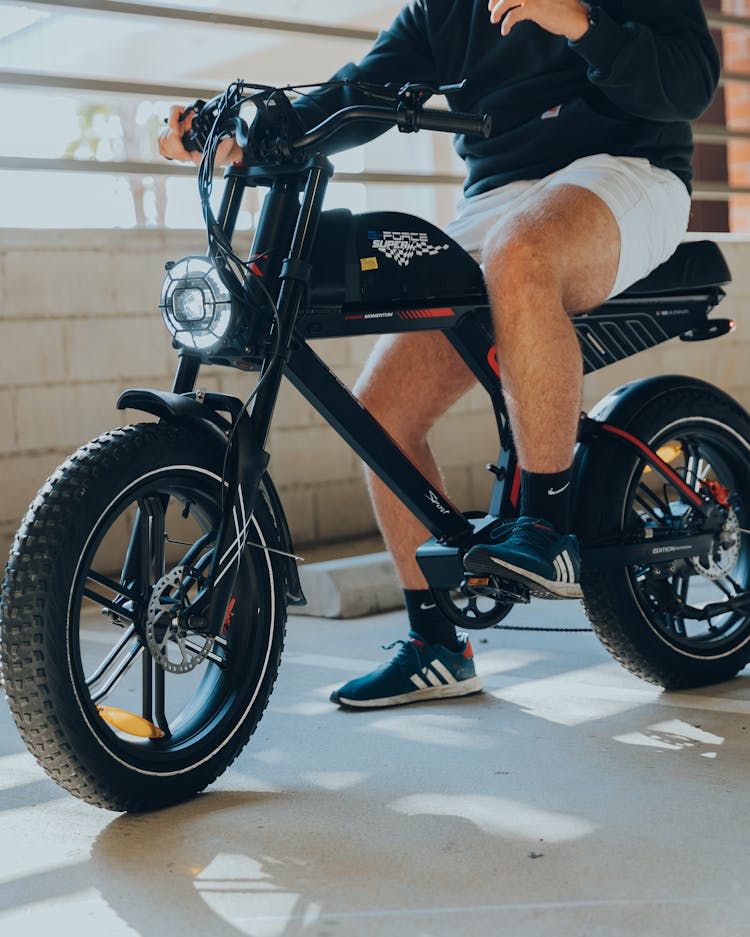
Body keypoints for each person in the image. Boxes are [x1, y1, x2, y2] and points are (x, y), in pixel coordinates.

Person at [160, 0, 720, 709]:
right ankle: (436, 645)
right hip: (500, 196)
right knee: (383, 408)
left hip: (627, 168)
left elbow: (692, 81)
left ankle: (546, 526)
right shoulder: (439, 12)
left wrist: (580, 22)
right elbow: (355, 93)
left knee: (521, 254)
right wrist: (241, 137)